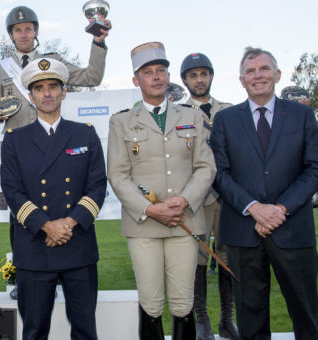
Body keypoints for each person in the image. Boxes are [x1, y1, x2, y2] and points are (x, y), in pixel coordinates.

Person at [0, 4, 111, 299]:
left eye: (28, 28)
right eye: (18, 30)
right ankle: (22, 275)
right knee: (19, 213)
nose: (23, 34)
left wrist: (98, 42)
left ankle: (63, 270)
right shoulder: (1, 68)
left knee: (61, 205)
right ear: (11, 35)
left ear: (36, 32)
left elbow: (91, 77)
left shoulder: (53, 61)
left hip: (58, 142)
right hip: (23, 147)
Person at [107, 42, 216, 340]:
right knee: (151, 303)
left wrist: (184, 200)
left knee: (183, 303)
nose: (156, 76)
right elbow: (117, 175)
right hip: (144, 226)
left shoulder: (190, 116)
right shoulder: (121, 122)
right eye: (147, 72)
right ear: (136, 80)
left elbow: (205, 168)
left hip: (185, 223)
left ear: (168, 77)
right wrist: (150, 209)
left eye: (161, 70)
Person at [210, 47, 318, 340]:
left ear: (277, 74)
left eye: (264, 69)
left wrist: (280, 209)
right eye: (250, 71)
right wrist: (254, 208)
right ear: (242, 80)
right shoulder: (225, 120)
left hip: (293, 230)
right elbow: (219, 173)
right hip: (243, 231)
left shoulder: (303, 115)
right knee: (250, 317)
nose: (258, 76)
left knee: (307, 313)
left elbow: (314, 169)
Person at [0, 58, 106, 339]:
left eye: (53, 87)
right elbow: (12, 190)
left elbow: (96, 187)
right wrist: (47, 225)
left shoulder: (85, 133)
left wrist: (68, 224)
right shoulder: (14, 139)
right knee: (34, 332)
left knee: (85, 331)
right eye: (39, 88)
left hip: (78, 245)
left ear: (63, 92)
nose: (46, 93)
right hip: (35, 248)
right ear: (31, 96)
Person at [179, 52, 238, 340]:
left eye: (204, 74)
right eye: (193, 75)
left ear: (211, 76)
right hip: (197, 197)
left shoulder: (229, 111)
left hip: (227, 196)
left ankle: (228, 319)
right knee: (200, 259)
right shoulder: (177, 113)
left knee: (228, 257)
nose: (199, 79)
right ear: (185, 80)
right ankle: (202, 319)